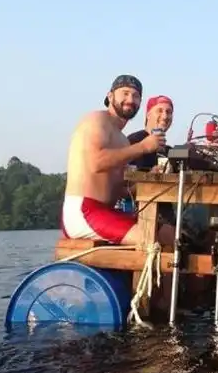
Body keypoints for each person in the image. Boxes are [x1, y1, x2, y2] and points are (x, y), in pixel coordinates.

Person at [60, 74, 175, 246]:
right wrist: (143, 147)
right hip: (84, 211)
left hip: (107, 212)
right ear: (110, 96)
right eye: (125, 93)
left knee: (168, 233)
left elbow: (121, 191)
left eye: (136, 96)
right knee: (149, 238)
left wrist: (150, 178)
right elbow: (96, 163)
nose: (130, 99)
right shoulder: (97, 120)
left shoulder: (122, 140)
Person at [127, 95, 174, 171]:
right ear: (148, 115)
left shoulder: (170, 152)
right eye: (159, 111)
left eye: (169, 112)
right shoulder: (134, 140)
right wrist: (150, 173)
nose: (165, 116)